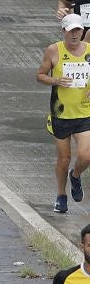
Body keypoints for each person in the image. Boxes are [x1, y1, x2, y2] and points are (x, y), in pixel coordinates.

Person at [37, 14, 90, 215]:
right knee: (64, 158)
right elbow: (40, 75)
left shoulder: (89, 50)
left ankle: (75, 176)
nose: (75, 34)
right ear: (64, 32)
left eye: (78, 30)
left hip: (85, 112)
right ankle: (61, 195)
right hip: (61, 113)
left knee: (86, 155)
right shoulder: (54, 50)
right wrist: (56, 80)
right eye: (71, 31)